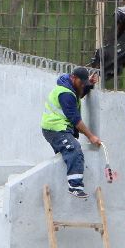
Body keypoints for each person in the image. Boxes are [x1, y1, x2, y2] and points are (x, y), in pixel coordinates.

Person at [41, 66, 102, 197]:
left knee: (67, 154)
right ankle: (75, 187)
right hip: (55, 129)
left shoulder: (69, 86)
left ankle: (71, 183)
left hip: (57, 128)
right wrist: (91, 136)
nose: (82, 86)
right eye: (81, 83)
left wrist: (88, 85)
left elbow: (78, 93)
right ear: (73, 77)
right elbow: (75, 119)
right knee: (73, 149)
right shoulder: (65, 93)